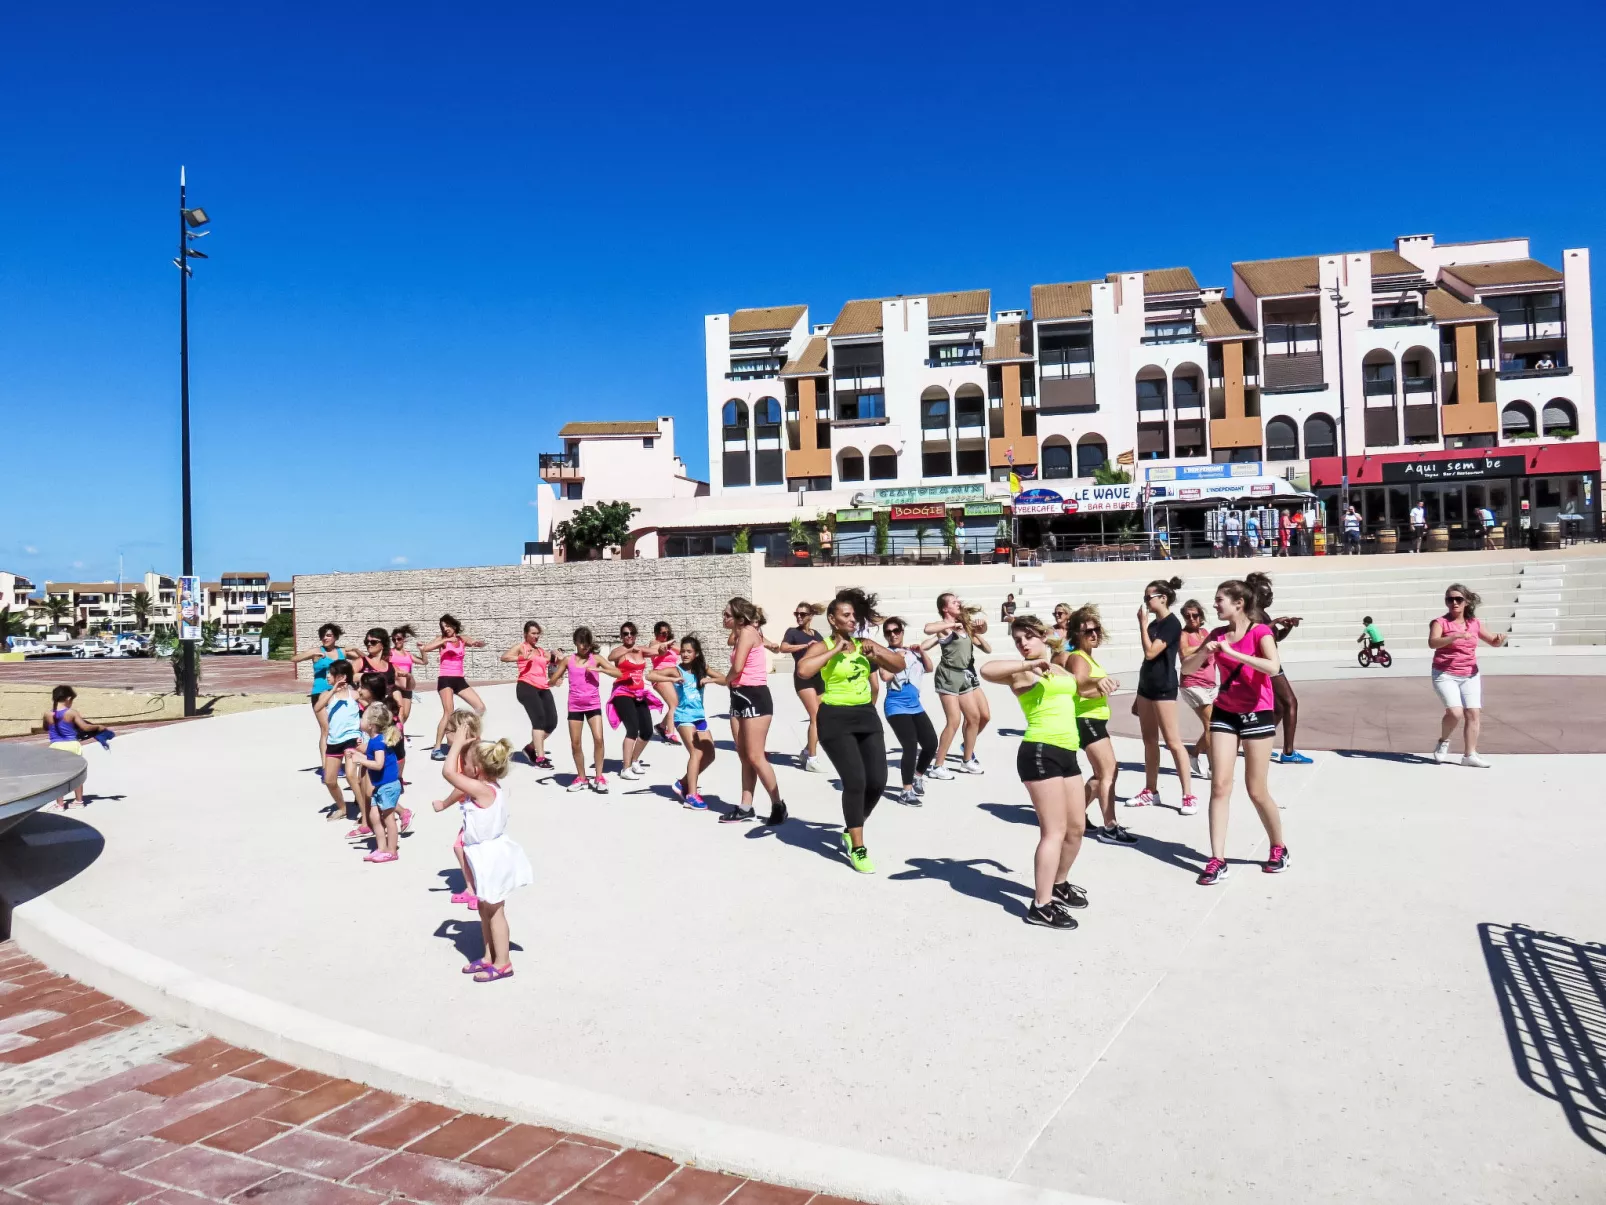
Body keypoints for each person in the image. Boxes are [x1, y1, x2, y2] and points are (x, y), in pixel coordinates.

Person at [981, 615, 1090, 930]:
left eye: (1028, 636)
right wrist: (1025, 665)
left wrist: (1098, 686)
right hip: (1040, 752)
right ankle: (1040, 906)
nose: (1023, 643)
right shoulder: (1021, 674)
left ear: (1043, 637)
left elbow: (1075, 690)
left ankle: (1058, 883)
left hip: (1067, 751)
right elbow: (986, 670)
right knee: (1053, 832)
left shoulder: (1058, 667)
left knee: (1076, 828)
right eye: (1018, 640)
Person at [1180, 573, 1290, 885]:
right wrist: (1205, 653)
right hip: (1225, 713)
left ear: (1238, 603)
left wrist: (1233, 653)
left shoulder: (1260, 632)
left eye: (1220, 600)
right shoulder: (1215, 633)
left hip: (1257, 712)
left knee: (1256, 789)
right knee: (1219, 786)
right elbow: (1186, 669)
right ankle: (1217, 858)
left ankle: (1279, 847)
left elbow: (1272, 666)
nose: (1215, 605)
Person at [796, 589, 905, 872]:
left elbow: (900, 664)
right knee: (855, 781)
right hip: (834, 718)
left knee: (878, 781)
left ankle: (851, 827)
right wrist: (835, 650)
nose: (852, 619)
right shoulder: (823, 645)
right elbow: (804, 671)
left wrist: (878, 652)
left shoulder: (864, 643)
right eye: (846, 615)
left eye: (854, 615)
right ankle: (858, 846)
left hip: (866, 715)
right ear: (832, 619)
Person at [436, 725, 532, 983]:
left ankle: (503, 963)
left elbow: (447, 772)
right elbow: (456, 778)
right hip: (482, 856)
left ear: (476, 770)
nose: (460, 767)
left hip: (491, 857)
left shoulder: (483, 790)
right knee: (484, 908)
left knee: (495, 910)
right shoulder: (486, 786)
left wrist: (456, 743)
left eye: (465, 764)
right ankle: (489, 956)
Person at [1063, 606, 1133, 846]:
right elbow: (1080, 684)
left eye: (1096, 629)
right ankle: (1110, 827)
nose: (1093, 634)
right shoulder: (1078, 658)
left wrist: (1103, 683)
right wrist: (1099, 680)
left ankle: (1072, 816)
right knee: (1109, 772)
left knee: (1103, 773)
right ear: (1077, 634)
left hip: (1094, 720)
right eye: (1087, 631)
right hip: (1086, 720)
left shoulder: (1088, 656)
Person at [1128, 577, 1197, 814]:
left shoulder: (1171, 624)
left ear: (1163, 598)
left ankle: (1188, 794)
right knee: (1149, 741)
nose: (1146, 601)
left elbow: (1150, 652)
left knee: (1173, 742)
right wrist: (1138, 695)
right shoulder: (1153, 626)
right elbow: (1146, 662)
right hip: (1146, 686)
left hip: (1164, 688)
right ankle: (1151, 790)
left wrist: (1141, 624)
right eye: (1145, 597)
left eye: (1149, 597)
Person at [721, 597, 787, 825]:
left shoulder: (748, 632)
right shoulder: (743, 632)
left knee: (756, 756)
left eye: (727, 615)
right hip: (739, 697)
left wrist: (724, 680)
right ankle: (745, 806)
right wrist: (734, 626)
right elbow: (731, 640)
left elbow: (738, 667)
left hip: (754, 695)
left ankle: (778, 804)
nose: (723, 618)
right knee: (743, 755)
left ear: (740, 617)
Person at [1429, 583, 1505, 768]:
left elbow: (1492, 641)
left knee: (1473, 713)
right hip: (1444, 674)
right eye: (1450, 599)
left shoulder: (1474, 623)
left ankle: (1469, 755)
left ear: (1466, 602)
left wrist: (1499, 640)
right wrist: (1453, 637)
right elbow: (1433, 643)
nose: (1454, 603)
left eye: (1458, 599)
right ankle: (1443, 741)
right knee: (1455, 713)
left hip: (1470, 674)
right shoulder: (1440, 622)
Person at [648, 635, 723, 810]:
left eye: (689, 651)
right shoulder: (676, 670)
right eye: (683, 651)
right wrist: (672, 680)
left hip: (699, 717)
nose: (685, 654)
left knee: (710, 755)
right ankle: (691, 794)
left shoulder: (701, 669)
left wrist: (710, 679)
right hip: (683, 717)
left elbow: (725, 680)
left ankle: (682, 783)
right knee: (696, 752)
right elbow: (651, 675)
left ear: (696, 654)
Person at [925, 593, 992, 776]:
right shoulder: (945, 628)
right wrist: (951, 625)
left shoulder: (964, 626)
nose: (959, 603)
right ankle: (937, 766)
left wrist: (980, 627)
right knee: (954, 721)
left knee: (975, 717)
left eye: (958, 601)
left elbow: (986, 646)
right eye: (954, 602)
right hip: (948, 675)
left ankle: (967, 760)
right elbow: (928, 628)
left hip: (964, 675)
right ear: (945, 608)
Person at [549, 627, 621, 793]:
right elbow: (553, 679)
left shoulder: (595, 658)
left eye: (587, 643)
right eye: (581, 643)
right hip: (574, 705)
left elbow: (618, 673)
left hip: (593, 705)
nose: (584, 646)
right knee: (575, 743)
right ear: (576, 642)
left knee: (599, 739)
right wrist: (554, 672)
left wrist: (601, 670)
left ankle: (599, 777)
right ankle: (581, 777)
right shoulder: (568, 660)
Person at [879, 617, 940, 806]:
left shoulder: (911, 652)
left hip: (915, 705)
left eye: (896, 630)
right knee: (910, 746)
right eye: (888, 632)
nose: (893, 635)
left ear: (902, 631)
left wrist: (921, 651)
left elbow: (929, 668)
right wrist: (899, 660)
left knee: (931, 744)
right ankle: (906, 792)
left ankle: (917, 776)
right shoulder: (885, 654)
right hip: (896, 706)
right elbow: (884, 676)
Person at [421, 615, 486, 760]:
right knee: (448, 712)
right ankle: (437, 748)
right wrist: (445, 640)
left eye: (448, 626)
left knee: (480, 707)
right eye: (443, 627)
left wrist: (477, 643)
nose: (445, 629)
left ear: (454, 626)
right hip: (445, 680)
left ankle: (464, 728)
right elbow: (426, 648)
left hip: (459, 679)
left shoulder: (462, 639)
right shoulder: (441, 639)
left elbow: (472, 642)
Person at [773, 602, 827, 772]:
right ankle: (812, 758)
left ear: (810, 616)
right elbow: (783, 647)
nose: (799, 616)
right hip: (803, 679)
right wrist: (805, 646)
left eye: (803, 614)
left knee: (822, 718)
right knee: (815, 716)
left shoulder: (816, 634)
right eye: (797, 613)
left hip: (819, 678)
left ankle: (806, 750)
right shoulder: (792, 632)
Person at [347, 702, 403, 863]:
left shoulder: (378, 742)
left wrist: (360, 760)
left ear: (371, 725)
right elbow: (373, 760)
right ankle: (381, 848)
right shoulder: (374, 741)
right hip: (380, 785)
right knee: (375, 817)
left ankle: (391, 851)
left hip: (388, 786)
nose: (360, 719)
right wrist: (357, 754)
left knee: (388, 818)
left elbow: (378, 764)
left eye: (363, 717)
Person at [500, 621, 557, 769]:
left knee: (552, 722)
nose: (536, 636)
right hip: (526, 686)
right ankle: (540, 758)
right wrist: (521, 658)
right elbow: (504, 657)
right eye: (533, 633)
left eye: (538, 633)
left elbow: (555, 660)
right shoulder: (522, 647)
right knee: (538, 719)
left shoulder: (541, 651)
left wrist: (558, 656)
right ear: (526, 634)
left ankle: (530, 748)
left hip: (543, 686)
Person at [43, 686, 111, 809]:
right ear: (68, 698)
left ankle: (60, 805)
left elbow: (46, 728)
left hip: (56, 745)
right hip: (72, 745)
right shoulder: (71, 713)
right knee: (76, 774)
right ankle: (79, 801)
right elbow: (85, 727)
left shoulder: (48, 714)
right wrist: (98, 727)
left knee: (59, 775)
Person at [606, 622, 657, 781]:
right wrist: (629, 649)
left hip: (639, 693)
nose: (629, 636)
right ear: (621, 636)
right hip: (622, 692)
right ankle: (625, 768)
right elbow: (610, 657)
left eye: (632, 633)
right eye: (626, 633)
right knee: (632, 729)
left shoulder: (640, 650)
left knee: (648, 730)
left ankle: (634, 760)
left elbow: (656, 651)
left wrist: (660, 646)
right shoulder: (621, 651)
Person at [290, 623, 348, 760]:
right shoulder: (317, 650)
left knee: (339, 727)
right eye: (323, 636)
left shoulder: (342, 652)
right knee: (326, 729)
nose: (325, 638)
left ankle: (337, 760)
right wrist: (312, 655)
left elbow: (362, 658)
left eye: (328, 635)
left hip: (339, 693)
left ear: (335, 637)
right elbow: (293, 659)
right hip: (320, 693)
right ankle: (325, 765)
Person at [315, 660, 362, 820]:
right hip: (334, 741)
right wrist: (333, 689)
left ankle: (366, 813)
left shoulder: (354, 694)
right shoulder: (326, 695)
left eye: (331, 673)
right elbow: (317, 708)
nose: (327, 676)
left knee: (351, 776)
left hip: (351, 739)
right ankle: (343, 808)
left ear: (341, 676)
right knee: (329, 780)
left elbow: (371, 706)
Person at [1178, 599, 1216, 781]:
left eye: (1195, 615)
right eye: (1187, 616)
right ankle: (1194, 754)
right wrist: (1205, 645)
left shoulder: (1205, 632)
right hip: (1192, 683)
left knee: (1212, 727)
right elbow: (1184, 652)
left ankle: (1211, 767)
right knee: (1212, 725)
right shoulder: (1183, 634)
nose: (1192, 618)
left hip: (1210, 685)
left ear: (1201, 616)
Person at [1268, 615, 1311, 764]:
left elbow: (1276, 637)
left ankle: (1260, 743)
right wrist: (1274, 622)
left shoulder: (1262, 614)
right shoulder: (1254, 614)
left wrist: (1288, 627)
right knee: (1290, 703)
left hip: (1272, 665)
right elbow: (1253, 636)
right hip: (1267, 666)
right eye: (1266, 593)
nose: (1270, 597)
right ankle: (1288, 752)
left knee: (1279, 708)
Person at [648, 621, 682, 744]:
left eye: (667, 633)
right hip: (660, 676)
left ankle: (661, 726)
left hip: (672, 675)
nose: (665, 635)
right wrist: (666, 643)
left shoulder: (669, 644)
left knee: (676, 705)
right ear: (656, 633)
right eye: (662, 633)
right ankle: (670, 734)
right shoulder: (654, 643)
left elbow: (681, 650)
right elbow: (652, 649)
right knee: (674, 705)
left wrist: (668, 644)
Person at [389, 626, 425, 729]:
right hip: (396, 685)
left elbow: (424, 661)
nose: (396, 641)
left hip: (407, 686)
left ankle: (396, 730)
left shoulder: (408, 655)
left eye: (399, 639)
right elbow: (386, 663)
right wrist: (395, 669)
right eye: (394, 639)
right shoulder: (390, 652)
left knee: (406, 714)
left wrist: (422, 650)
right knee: (399, 712)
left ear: (404, 639)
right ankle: (397, 734)